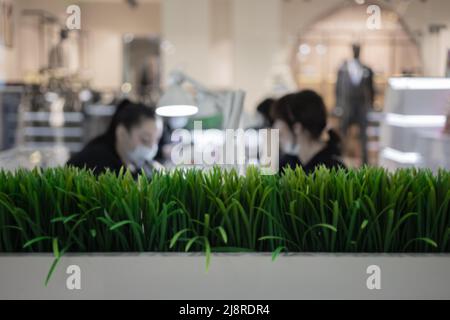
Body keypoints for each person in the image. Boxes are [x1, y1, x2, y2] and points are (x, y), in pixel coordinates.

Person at [67, 99, 163, 176]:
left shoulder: (136, 165)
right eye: (145, 139)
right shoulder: (96, 164)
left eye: (157, 140)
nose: (151, 147)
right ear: (122, 133)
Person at [272, 90, 346, 174]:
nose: (276, 127)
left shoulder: (334, 169)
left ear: (297, 128)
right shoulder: (287, 164)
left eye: (281, 134)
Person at [336, 43, 375, 165]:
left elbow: (371, 89)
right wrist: (338, 105)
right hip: (347, 107)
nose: (356, 51)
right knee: (342, 135)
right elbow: (338, 89)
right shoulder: (343, 68)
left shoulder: (366, 69)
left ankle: (365, 163)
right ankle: (339, 160)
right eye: (355, 49)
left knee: (364, 136)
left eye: (358, 49)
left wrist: (370, 106)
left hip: (362, 107)